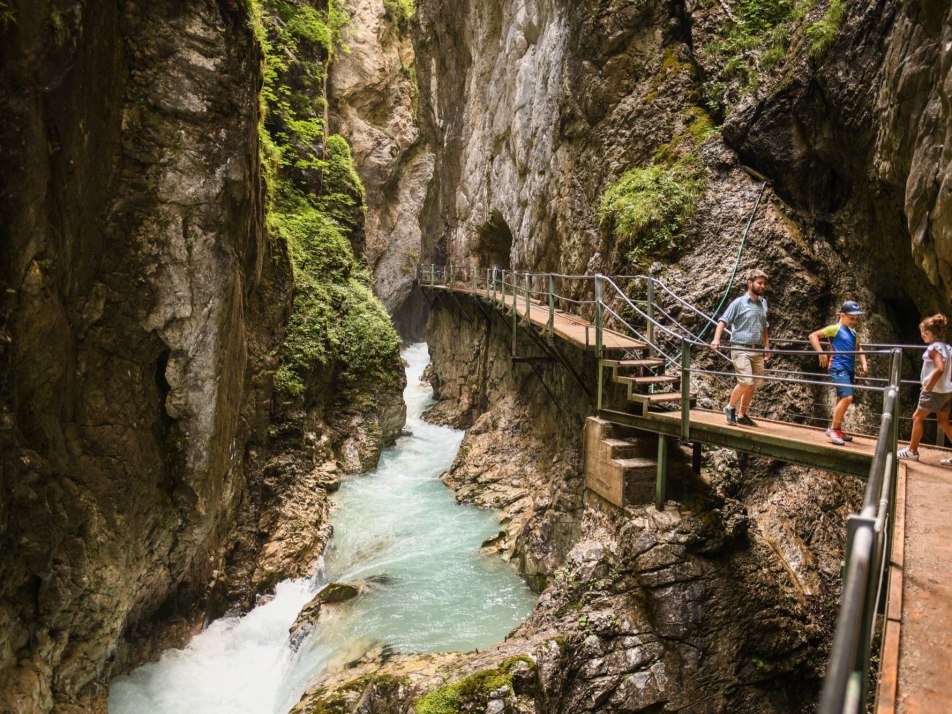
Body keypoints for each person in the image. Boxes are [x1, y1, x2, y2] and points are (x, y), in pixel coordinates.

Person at [711, 268, 770, 426]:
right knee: (746, 382)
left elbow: (765, 327)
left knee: (753, 385)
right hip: (740, 348)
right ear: (750, 283)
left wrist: (767, 347)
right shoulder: (738, 303)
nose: (762, 286)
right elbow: (723, 321)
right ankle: (730, 407)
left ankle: (742, 414)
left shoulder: (763, 303)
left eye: (764, 283)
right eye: (759, 283)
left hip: (757, 349)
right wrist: (716, 339)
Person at [809, 300, 869, 445]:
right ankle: (833, 429)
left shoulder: (854, 333)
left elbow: (858, 348)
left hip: (849, 368)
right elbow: (813, 336)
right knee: (848, 397)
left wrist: (864, 364)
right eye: (851, 318)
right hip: (837, 366)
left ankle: (838, 429)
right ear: (842, 315)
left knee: (841, 397)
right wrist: (821, 353)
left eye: (856, 318)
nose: (854, 321)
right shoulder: (835, 329)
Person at [897, 313, 952, 463]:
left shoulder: (933, 348)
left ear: (928, 333)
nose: (922, 337)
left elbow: (940, 369)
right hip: (947, 391)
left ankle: (912, 451)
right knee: (943, 422)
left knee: (917, 417)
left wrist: (928, 386)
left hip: (934, 392)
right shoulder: (947, 347)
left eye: (923, 334)